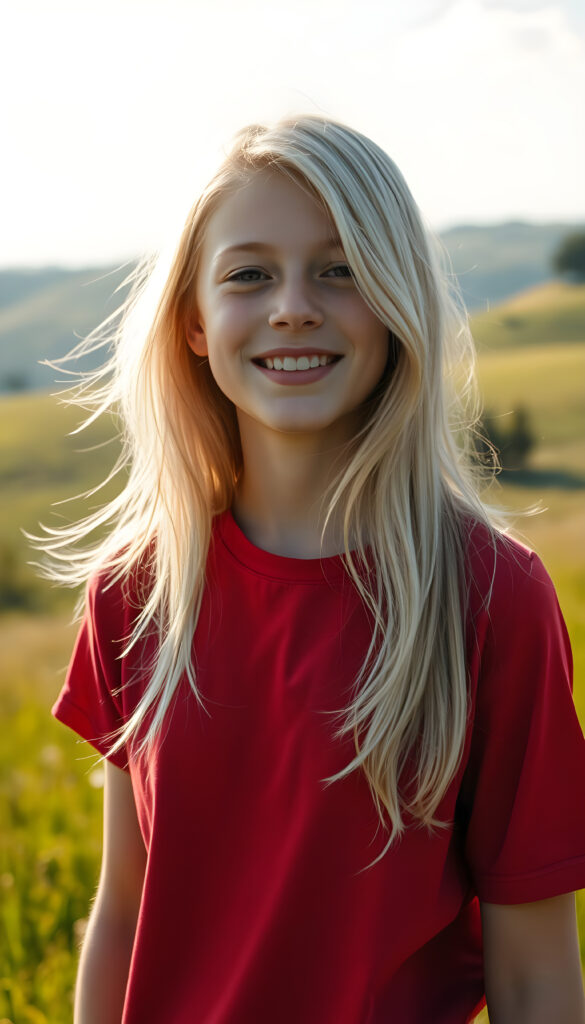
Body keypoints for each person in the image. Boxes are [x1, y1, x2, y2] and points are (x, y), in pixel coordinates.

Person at [43, 116, 585, 1023]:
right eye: (249, 274)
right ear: (193, 322)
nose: (293, 306)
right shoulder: (136, 592)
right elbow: (126, 915)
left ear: (397, 302)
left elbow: (535, 978)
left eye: (340, 269)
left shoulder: (490, 596)